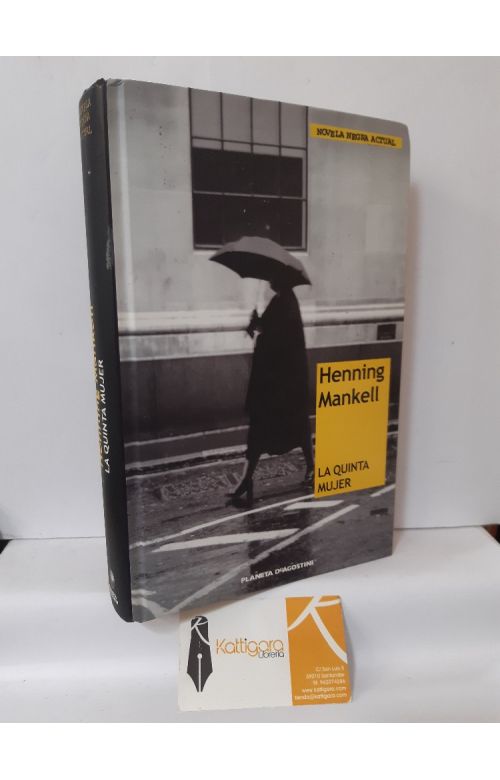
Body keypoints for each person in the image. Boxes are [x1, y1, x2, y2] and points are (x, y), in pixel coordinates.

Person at [228, 276, 314, 508]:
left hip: (278, 385)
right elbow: (272, 332)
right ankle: (248, 478)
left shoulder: (284, 302)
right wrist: (257, 324)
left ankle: (247, 479)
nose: (268, 282)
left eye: (272, 278)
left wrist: (259, 327)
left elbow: (278, 341)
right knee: (294, 426)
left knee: (266, 428)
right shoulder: (284, 301)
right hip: (282, 384)